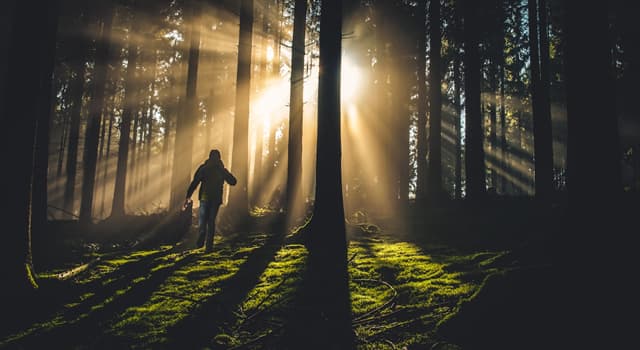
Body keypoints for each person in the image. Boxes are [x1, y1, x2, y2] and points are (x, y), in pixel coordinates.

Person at [185, 149, 237, 252]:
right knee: (211, 221)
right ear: (219, 157)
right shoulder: (221, 170)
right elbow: (233, 181)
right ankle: (209, 246)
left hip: (205, 197)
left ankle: (201, 240)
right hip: (216, 199)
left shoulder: (204, 168)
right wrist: (226, 175)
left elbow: (195, 182)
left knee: (203, 220)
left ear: (209, 157)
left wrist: (188, 196)